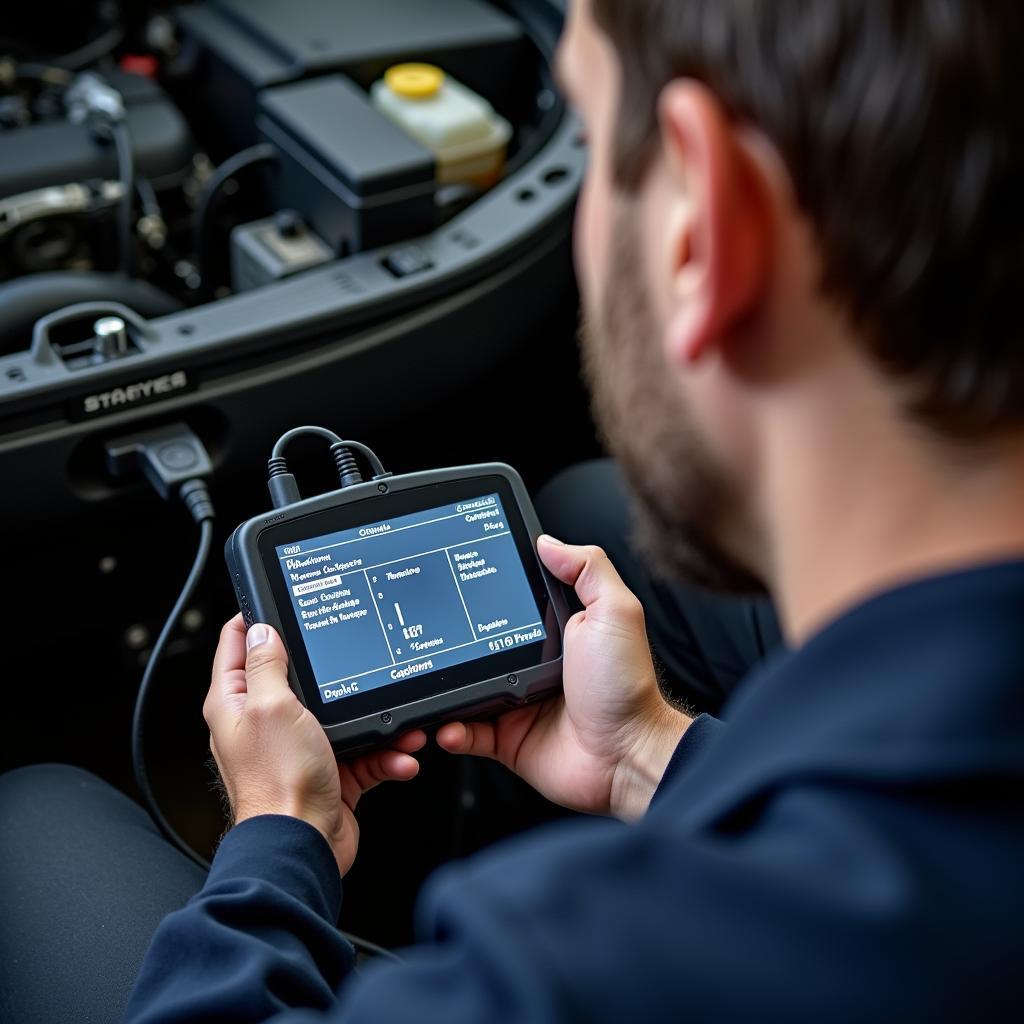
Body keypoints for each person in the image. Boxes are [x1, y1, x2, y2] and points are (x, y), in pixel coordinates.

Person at [3, 0, 1024, 1018]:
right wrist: (651, 755)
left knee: (28, 825)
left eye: (585, 134)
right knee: (585, 507)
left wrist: (274, 838)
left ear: (705, 227)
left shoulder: (567, 968)